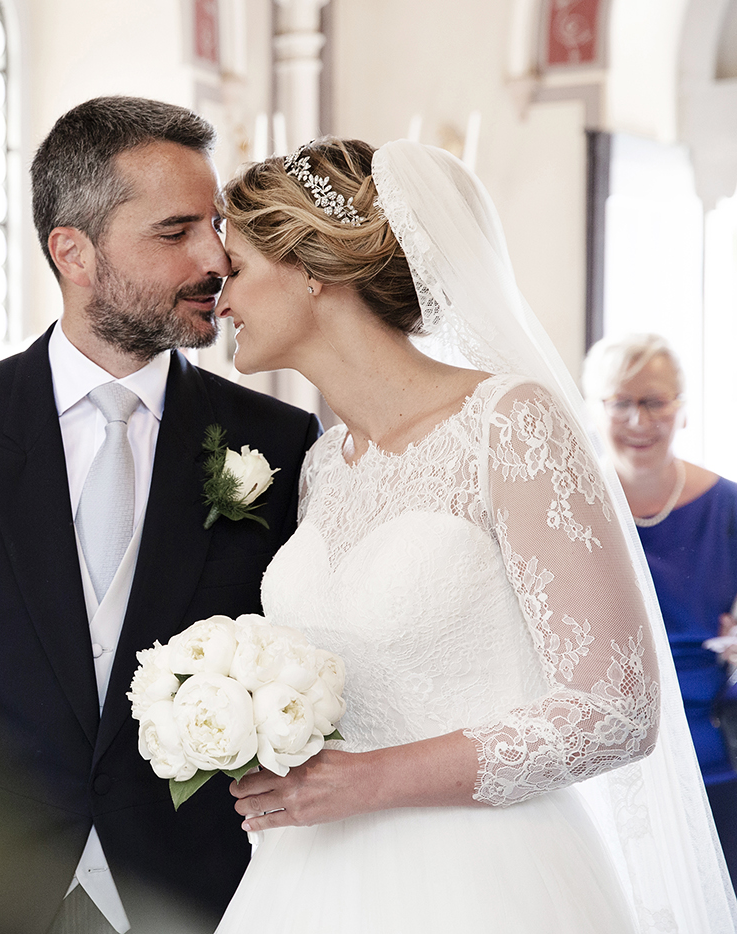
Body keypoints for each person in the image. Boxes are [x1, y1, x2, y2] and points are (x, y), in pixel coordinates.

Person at [210, 138, 737, 932]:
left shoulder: (508, 424)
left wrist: (367, 781)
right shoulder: (325, 465)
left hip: (485, 883)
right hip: (310, 881)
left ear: (313, 267)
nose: (220, 302)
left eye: (238, 269)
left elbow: (615, 709)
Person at [0, 96, 320, 934]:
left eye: (214, 225)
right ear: (74, 252)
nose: (215, 256)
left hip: (206, 892)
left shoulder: (277, 442)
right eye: (175, 233)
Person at [582, 333, 737, 880]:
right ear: (593, 410)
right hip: (603, 744)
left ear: (683, 409)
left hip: (713, 740)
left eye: (653, 401)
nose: (638, 421)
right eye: (619, 402)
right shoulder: (569, 505)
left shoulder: (727, 505)